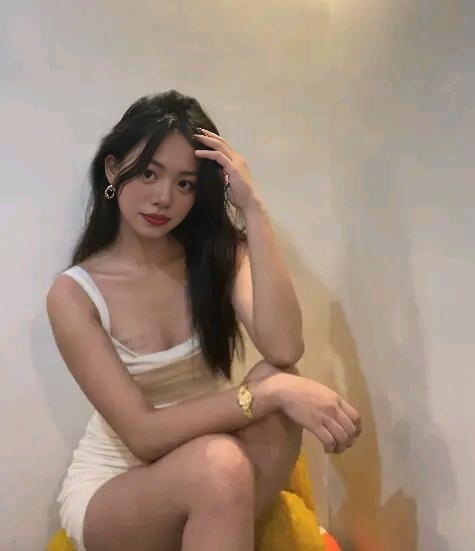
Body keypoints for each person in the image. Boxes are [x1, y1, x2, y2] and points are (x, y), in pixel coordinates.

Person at [46, 89, 362, 551]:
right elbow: (143, 435)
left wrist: (253, 209)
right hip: (118, 489)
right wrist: (269, 394)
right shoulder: (75, 294)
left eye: (185, 184)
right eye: (149, 173)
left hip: (216, 466)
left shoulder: (216, 257)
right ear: (113, 169)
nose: (163, 198)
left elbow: (284, 347)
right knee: (235, 442)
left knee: (278, 375)